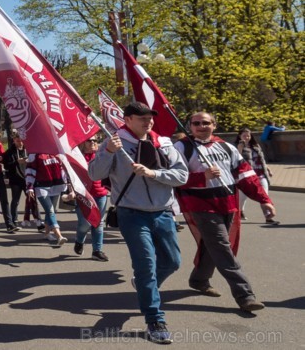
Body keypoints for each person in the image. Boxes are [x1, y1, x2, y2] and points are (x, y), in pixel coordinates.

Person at [88, 102, 188, 345]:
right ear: (128, 119)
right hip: (131, 214)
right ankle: (155, 319)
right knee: (145, 264)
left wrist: (154, 174)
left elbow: (182, 175)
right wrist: (109, 151)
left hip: (163, 213)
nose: (148, 121)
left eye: (150, 117)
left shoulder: (164, 143)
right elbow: (94, 174)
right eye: (142, 118)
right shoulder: (115, 142)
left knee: (173, 262)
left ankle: (144, 284)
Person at [175, 112, 276, 312]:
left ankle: (199, 279)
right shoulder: (181, 147)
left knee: (213, 246)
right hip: (201, 206)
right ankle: (245, 295)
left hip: (228, 203)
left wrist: (264, 200)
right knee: (222, 247)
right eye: (196, 123)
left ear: (214, 124)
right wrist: (201, 177)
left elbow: (246, 175)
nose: (201, 126)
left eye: (206, 123)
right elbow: (173, 177)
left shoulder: (226, 147)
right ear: (190, 126)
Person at [75, 136, 110, 261]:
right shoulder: (77, 156)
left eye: (95, 141)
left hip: (100, 194)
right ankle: (79, 240)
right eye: (90, 140)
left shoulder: (100, 155)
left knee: (98, 223)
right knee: (85, 224)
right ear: (83, 142)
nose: (93, 143)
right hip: (83, 195)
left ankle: (97, 251)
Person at [25, 152, 71, 246]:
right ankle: (59, 236)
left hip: (56, 185)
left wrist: (69, 182)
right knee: (50, 211)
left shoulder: (56, 151)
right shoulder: (34, 155)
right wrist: (29, 187)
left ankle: (46, 233)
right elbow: (29, 171)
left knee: (50, 211)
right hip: (41, 187)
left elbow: (64, 168)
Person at [235, 128, 277, 224]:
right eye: (244, 136)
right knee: (242, 197)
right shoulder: (235, 147)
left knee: (264, 196)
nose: (247, 137)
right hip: (246, 177)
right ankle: (240, 212)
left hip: (260, 174)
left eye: (248, 136)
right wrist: (240, 148)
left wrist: (268, 169)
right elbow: (236, 160)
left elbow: (261, 160)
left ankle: (268, 217)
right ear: (239, 136)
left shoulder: (255, 146)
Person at [3, 131, 28, 231]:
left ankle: (38, 220)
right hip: (16, 180)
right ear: (14, 141)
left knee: (32, 200)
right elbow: (6, 165)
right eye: (17, 141)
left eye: (21, 141)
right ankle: (14, 220)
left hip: (27, 179)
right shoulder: (9, 152)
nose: (20, 143)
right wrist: (16, 162)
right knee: (15, 201)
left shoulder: (28, 150)